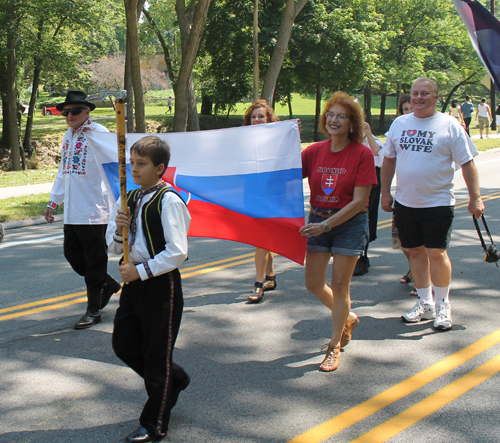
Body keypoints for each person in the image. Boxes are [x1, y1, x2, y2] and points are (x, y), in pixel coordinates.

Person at [381, 77, 484, 331]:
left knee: (436, 254)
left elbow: (468, 163)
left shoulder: (449, 125)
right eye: (414, 93)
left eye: (424, 93)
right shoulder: (399, 123)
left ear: (436, 97)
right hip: (406, 203)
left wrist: (476, 197)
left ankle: (443, 306)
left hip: (438, 202)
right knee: (415, 252)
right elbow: (388, 160)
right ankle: (425, 304)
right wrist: (385, 192)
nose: (418, 98)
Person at [107, 136, 191, 443]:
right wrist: (119, 230)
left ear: (160, 168)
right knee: (124, 344)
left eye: (141, 164)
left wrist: (141, 271)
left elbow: (178, 251)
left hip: (160, 285)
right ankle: (175, 379)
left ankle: (154, 423)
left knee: (157, 356)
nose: (134, 169)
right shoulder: (127, 198)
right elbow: (112, 245)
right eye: (131, 163)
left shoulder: (169, 201)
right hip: (133, 283)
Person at [300, 92, 377, 371]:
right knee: (313, 283)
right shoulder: (314, 151)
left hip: (349, 224)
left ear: (352, 122)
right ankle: (348, 317)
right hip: (318, 220)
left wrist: (326, 225)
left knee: (341, 284)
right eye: (330, 114)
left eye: (341, 116)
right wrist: (285, 140)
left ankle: (334, 346)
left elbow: (359, 202)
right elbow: (283, 173)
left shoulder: (362, 154)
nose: (334, 120)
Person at [44, 91, 121, 329]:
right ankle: (107, 285)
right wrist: (53, 201)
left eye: (75, 111)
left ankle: (93, 309)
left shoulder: (99, 133)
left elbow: (116, 165)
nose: (69, 115)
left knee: (95, 262)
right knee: (73, 256)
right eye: (66, 112)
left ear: (87, 111)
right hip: (73, 211)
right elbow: (63, 172)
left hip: (95, 210)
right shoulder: (68, 136)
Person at [243, 100, 280, 303]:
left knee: (260, 239)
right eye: (253, 117)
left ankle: (258, 284)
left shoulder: (277, 139)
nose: (257, 120)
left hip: (271, 195)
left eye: (261, 116)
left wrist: (294, 134)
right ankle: (270, 276)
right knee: (263, 239)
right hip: (251, 194)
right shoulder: (243, 140)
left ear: (269, 119)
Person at [391, 94, 417, 295]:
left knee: (422, 247)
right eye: (405, 109)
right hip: (402, 196)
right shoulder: (398, 128)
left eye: (411, 108)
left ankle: (422, 279)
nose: (408, 112)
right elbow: (383, 156)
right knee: (404, 243)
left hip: (427, 201)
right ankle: (414, 269)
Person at [352, 121, 384, 276]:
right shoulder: (348, 142)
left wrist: (368, 133)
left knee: (367, 217)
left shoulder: (372, 141)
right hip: (352, 182)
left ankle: (362, 256)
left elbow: (379, 155)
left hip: (370, 184)